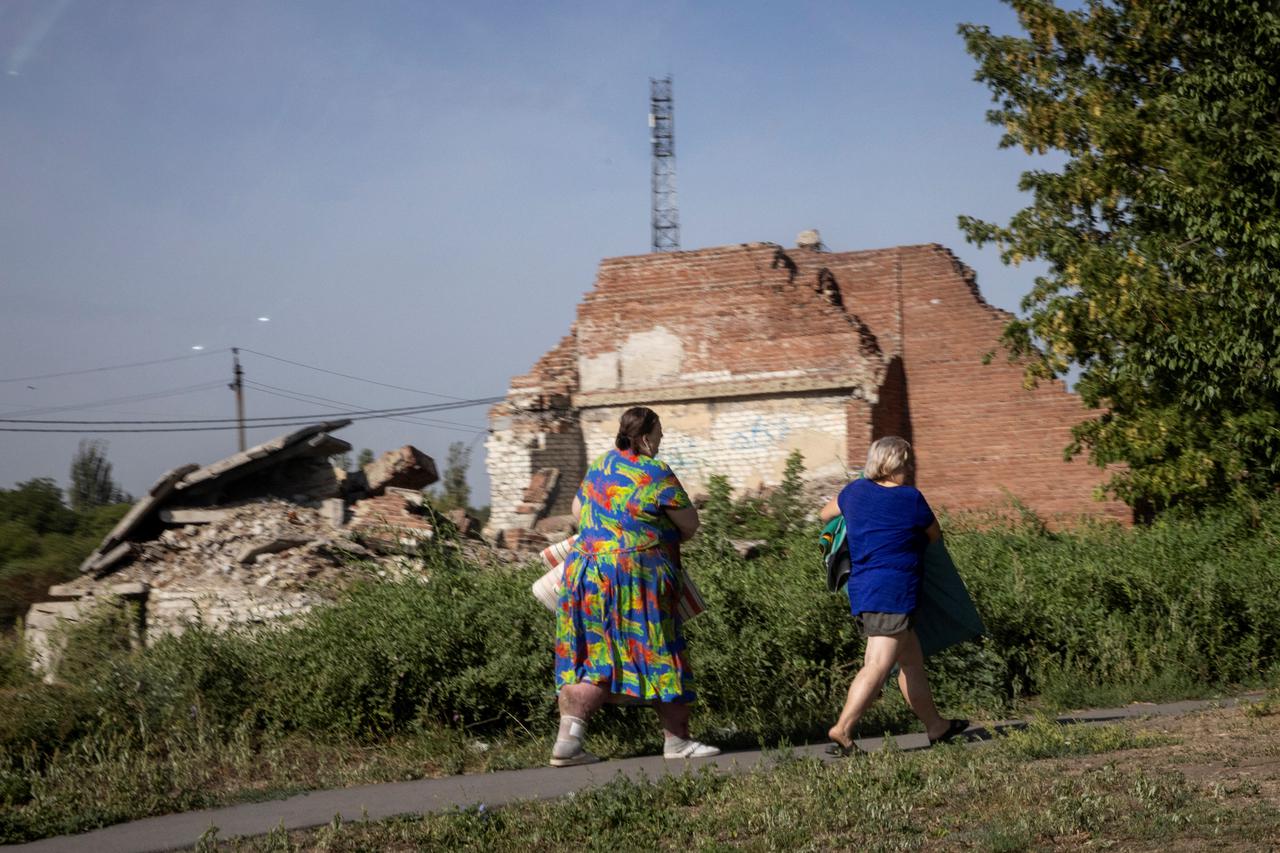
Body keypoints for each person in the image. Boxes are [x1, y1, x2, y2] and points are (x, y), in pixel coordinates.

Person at [550, 406, 721, 766]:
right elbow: (689, 525)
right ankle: (677, 741)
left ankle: (569, 741)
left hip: (585, 576)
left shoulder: (601, 465)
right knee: (657, 647)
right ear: (645, 437)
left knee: (592, 656)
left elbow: (579, 512)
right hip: (635, 577)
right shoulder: (654, 471)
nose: (661, 442)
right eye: (658, 435)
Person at [818, 436, 968, 754]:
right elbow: (934, 535)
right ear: (895, 464)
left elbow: (824, 514)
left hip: (863, 591)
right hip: (894, 593)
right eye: (907, 463)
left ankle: (936, 727)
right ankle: (842, 729)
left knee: (911, 663)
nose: (910, 469)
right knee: (876, 665)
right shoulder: (910, 498)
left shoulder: (854, 492)